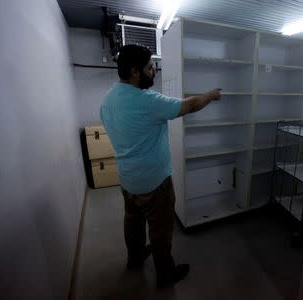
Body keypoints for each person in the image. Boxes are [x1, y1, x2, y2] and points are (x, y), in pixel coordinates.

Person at [100, 44, 221, 288]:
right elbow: (189, 106)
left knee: (132, 221)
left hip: (127, 179)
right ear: (135, 72)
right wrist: (210, 95)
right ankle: (165, 275)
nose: (154, 70)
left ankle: (134, 258)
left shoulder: (108, 99)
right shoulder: (147, 101)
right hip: (154, 182)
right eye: (149, 67)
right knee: (161, 230)